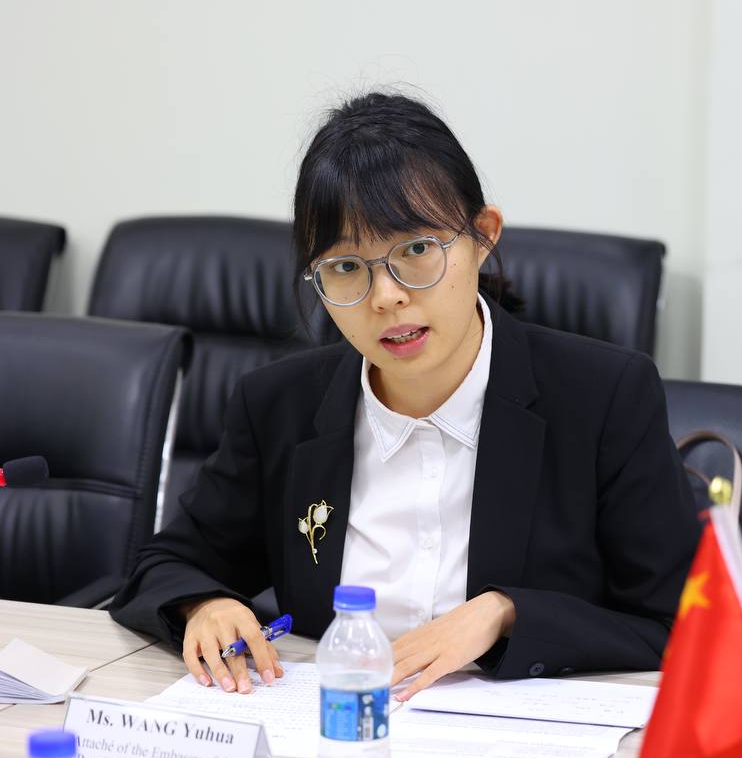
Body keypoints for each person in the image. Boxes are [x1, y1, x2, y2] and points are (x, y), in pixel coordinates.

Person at [109, 92, 701, 702]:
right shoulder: (280, 407)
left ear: (483, 236)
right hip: (334, 735)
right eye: (345, 266)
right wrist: (204, 605)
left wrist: (506, 613)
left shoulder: (603, 398)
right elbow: (164, 565)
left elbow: (682, 622)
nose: (385, 297)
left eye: (416, 251)